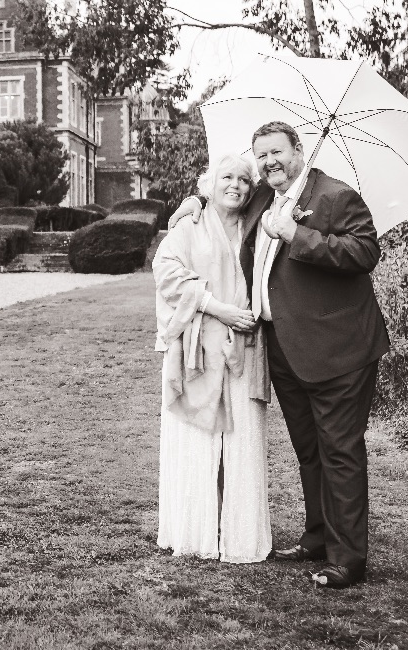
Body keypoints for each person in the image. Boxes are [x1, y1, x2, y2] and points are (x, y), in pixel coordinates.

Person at [170, 121, 389, 589]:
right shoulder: (262, 199)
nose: (269, 161)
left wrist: (296, 234)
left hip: (339, 349)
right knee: (309, 450)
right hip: (285, 350)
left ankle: (348, 559)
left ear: (298, 151)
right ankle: (317, 537)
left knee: (340, 451)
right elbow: (221, 197)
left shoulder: (335, 196)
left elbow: (366, 252)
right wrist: (193, 203)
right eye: (261, 154)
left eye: (277, 152)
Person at [154, 154, 271, 564]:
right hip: (197, 349)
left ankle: (237, 532)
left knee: (240, 441)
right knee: (197, 440)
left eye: (244, 179)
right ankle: (197, 529)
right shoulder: (190, 224)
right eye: (227, 177)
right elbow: (166, 272)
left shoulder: (257, 227)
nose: (235, 185)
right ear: (209, 183)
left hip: (244, 346)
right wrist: (218, 308)